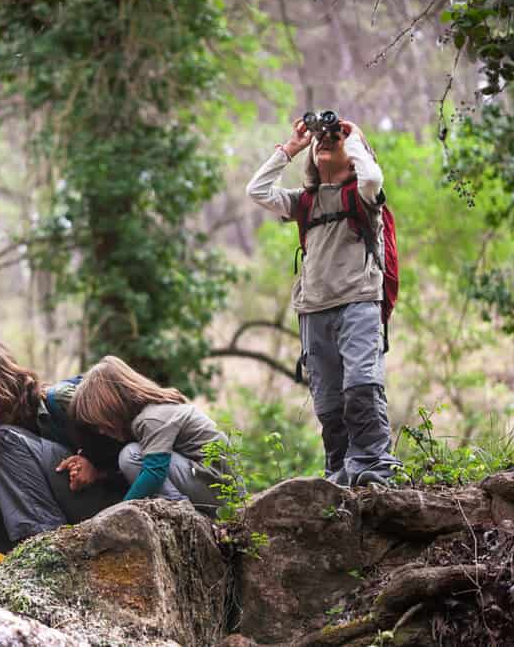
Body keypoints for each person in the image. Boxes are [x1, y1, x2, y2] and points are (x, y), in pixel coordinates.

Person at [245, 112, 402, 487]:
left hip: (359, 301)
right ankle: (340, 470)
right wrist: (292, 148)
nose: (327, 142)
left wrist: (354, 137)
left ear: (355, 155)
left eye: (336, 139)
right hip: (313, 308)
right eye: (322, 140)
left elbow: (372, 179)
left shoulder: (362, 196)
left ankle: (375, 466)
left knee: (362, 386)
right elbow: (257, 191)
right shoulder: (304, 201)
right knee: (328, 400)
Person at [0, 340, 125, 563]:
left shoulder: (59, 399)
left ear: (6, 379)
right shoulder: (5, 434)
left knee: (2, 439)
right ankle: (14, 555)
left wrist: (92, 462)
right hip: (62, 507)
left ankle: (45, 554)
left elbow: (134, 446)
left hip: (105, 501)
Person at [69, 355, 238, 508]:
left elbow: (154, 472)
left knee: (131, 455)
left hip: (218, 488)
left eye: (100, 423)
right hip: (214, 484)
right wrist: (102, 475)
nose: (100, 431)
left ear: (113, 406)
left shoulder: (151, 419)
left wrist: (120, 512)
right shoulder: (153, 413)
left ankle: (178, 509)